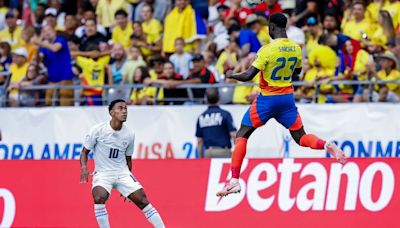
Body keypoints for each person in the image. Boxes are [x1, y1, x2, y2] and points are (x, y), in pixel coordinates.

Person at [217, 13, 346, 197]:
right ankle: (326, 144)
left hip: (267, 99)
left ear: (271, 28)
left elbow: (247, 76)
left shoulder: (266, 50)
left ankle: (234, 181)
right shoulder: (296, 48)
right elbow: (298, 72)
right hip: (287, 99)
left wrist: (231, 74)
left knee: (242, 134)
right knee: (301, 138)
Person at [80, 99, 165, 228]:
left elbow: (128, 159)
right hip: (103, 174)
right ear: (111, 113)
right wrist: (84, 168)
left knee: (143, 200)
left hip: (122, 173)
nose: (124, 111)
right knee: (99, 197)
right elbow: (84, 152)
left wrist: (128, 184)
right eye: (120, 108)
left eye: (126, 108)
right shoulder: (97, 130)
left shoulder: (130, 134)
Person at [196, 88, 236, 158]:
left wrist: (201, 158)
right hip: (223, 151)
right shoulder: (225, 114)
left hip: (208, 152)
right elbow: (233, 135)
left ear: (206, 99)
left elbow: (200, 141)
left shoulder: (201, 117)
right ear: (219, 98)